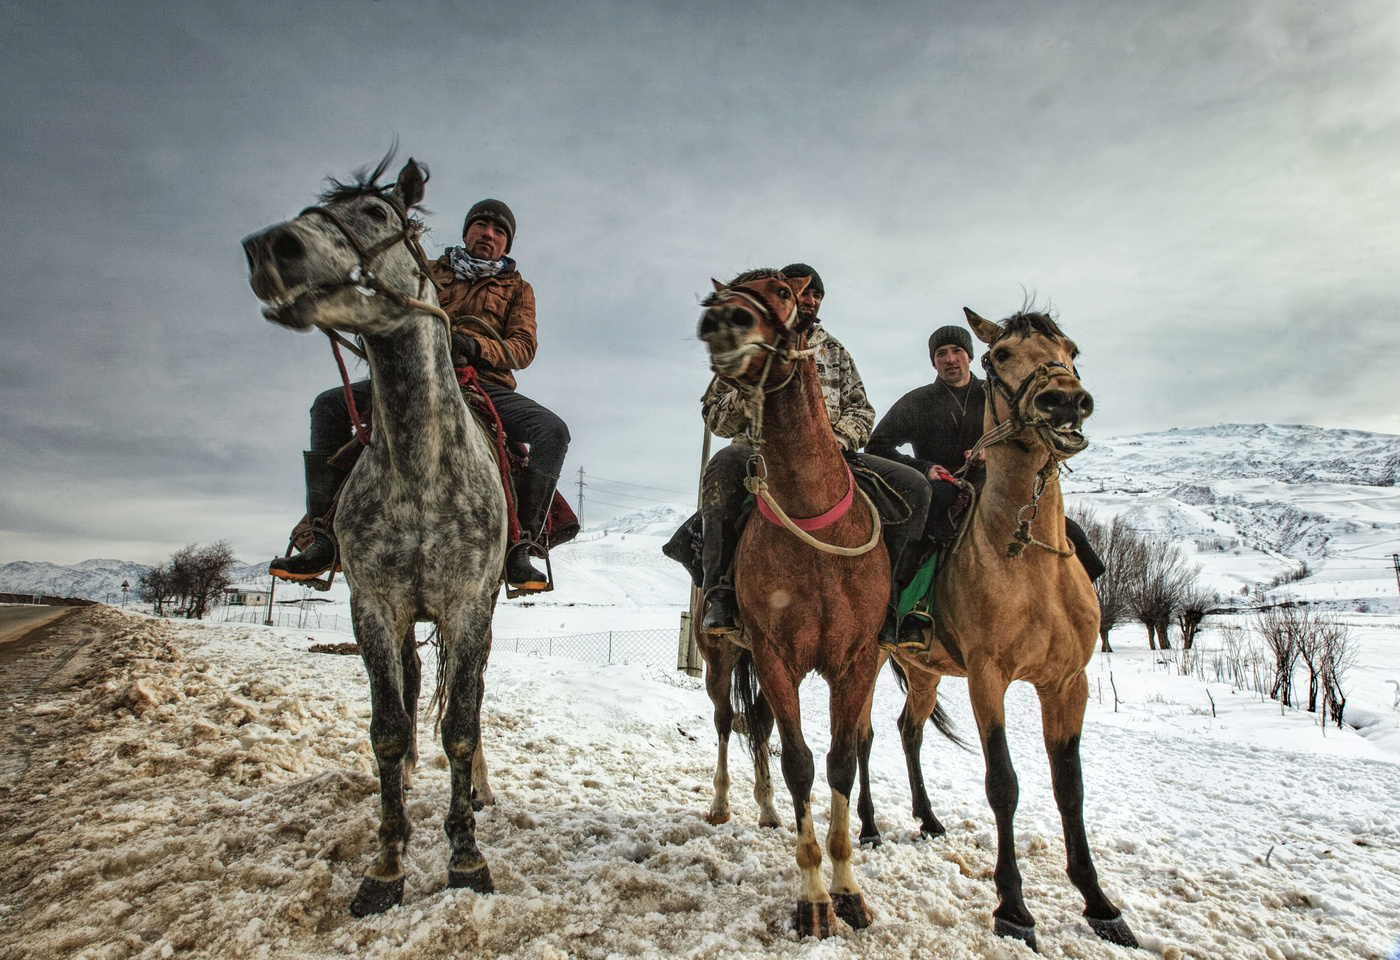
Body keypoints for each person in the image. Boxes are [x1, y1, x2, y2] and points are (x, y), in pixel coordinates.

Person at [270, 199, 570, 593]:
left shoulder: (518, 289)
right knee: (328, 405)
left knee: (553, 430)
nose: (489, 235)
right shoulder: (428, 270)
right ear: (466, 232)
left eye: (499, 232)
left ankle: (523, 544)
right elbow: (389, 300)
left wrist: (474, 346)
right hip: (415, 375)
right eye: (481, 226)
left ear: (506, 245)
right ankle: (323, 535)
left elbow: (522, 348)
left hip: (484, 383)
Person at [695, 263, 931, 648]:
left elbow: (862, 411)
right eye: (801, 292)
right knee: (722, 466)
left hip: (832, 456)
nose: (810, 299)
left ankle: (892, 606)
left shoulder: (834, 350)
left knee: (915, 487)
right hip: (757, 451)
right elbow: (714, 414)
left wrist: (838, 440)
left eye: (817, 294)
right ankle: (720, 592)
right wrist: (746, 392)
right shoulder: (753, 334)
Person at [867, 323, 1103, 581]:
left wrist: (993, 451)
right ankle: (902, 600)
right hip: (941, 492)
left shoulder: (997, 395)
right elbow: (877, 445)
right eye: (941, 354)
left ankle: (1084, 610)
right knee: (918, 541)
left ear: (969, 356)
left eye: (957, 351)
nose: (950, 359)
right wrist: (924, 468)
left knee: (1071, 534)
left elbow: (1023, 435)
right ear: (934, 363)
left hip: (996, 487)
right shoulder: (917, 402)